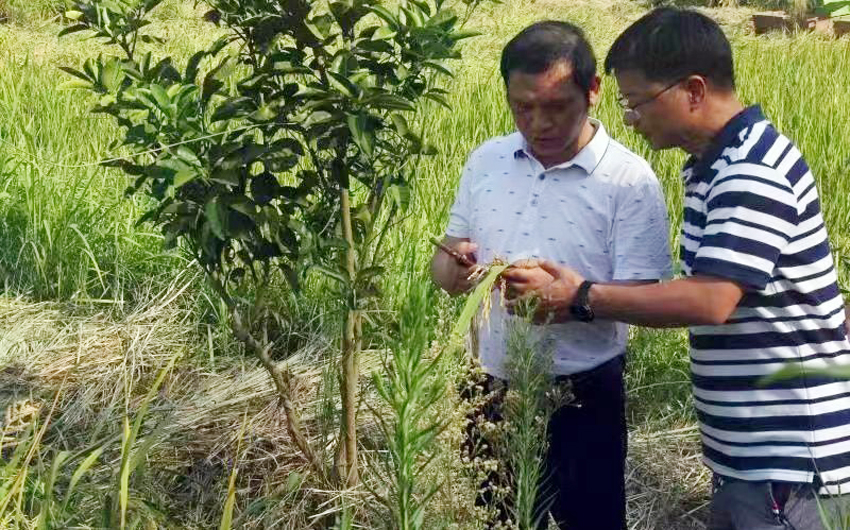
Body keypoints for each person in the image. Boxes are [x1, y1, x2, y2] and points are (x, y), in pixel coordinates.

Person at [503, 8, 850, 530]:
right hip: (752, 454)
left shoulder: (750, 172)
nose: (630, 118)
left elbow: (709, 301)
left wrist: (581, 295)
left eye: (638, 101)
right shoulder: (714, 165)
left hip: (790, 459)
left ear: (692, 90)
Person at [430, 20, 672, 530]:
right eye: (522, 107)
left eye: (556, 106)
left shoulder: (629, 181)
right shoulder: (486, 162)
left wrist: (573, 298)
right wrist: (452, 268)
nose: (538, 122)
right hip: (488, 382)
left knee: (590, 519)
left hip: (582, 389)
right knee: (500, 517)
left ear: (594, 92)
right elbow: (448, 260)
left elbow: (647, 298)